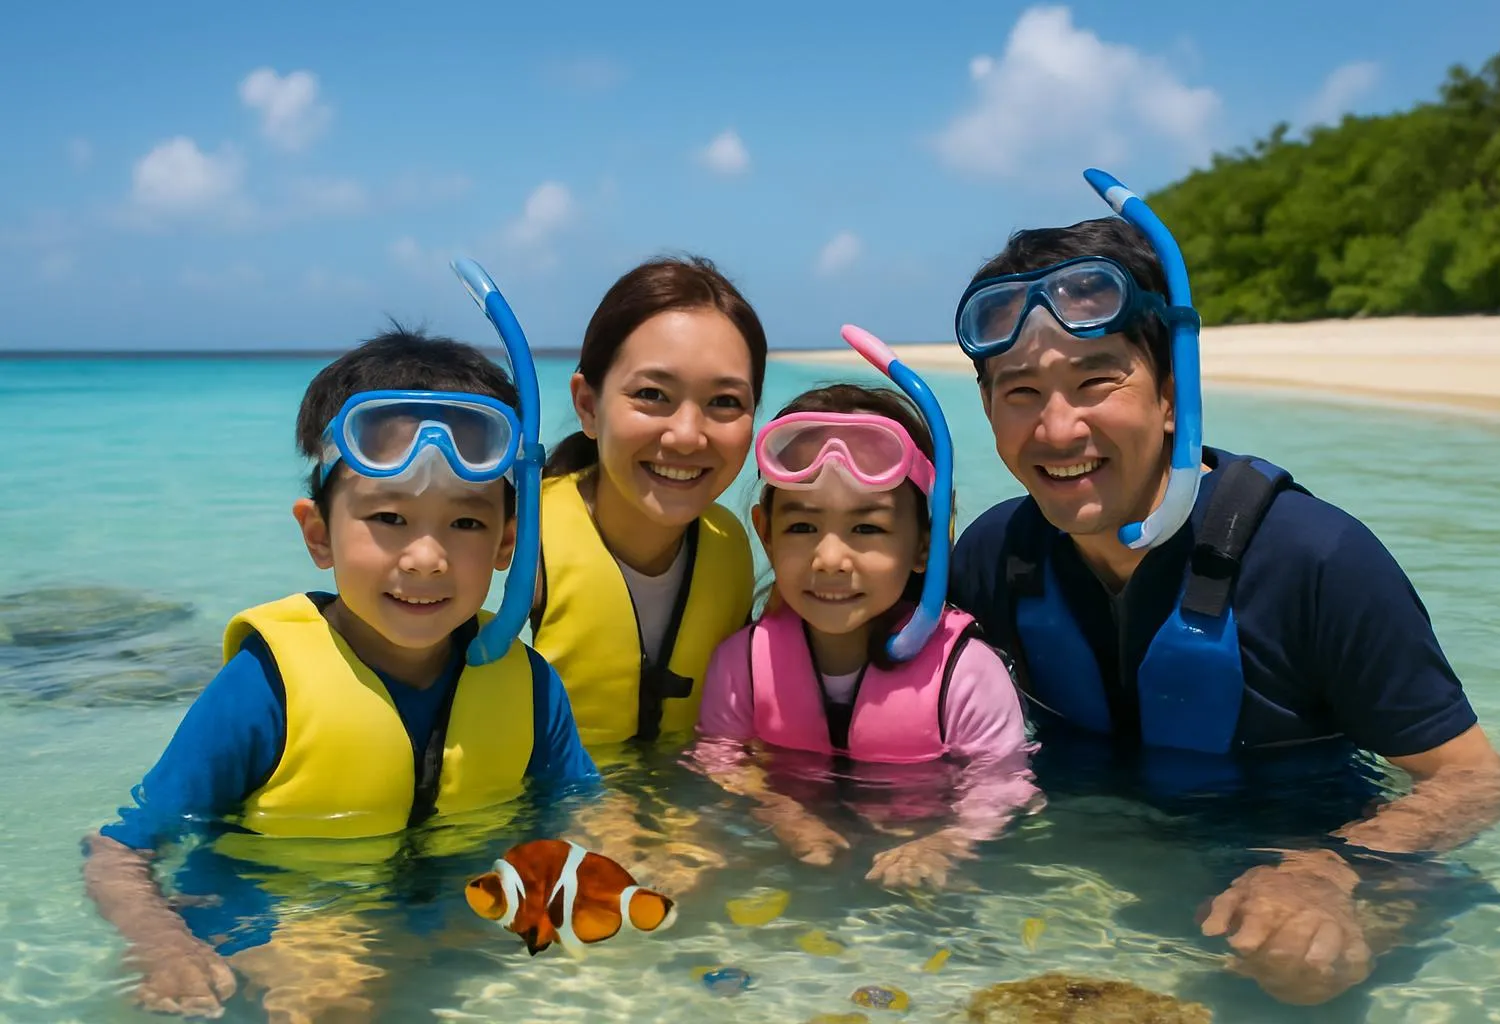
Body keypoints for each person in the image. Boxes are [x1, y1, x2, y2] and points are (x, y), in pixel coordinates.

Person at [946, 171, 1500, 1005]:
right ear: (992, 412)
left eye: (1097, 381)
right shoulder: (994, 556)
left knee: (1299, 987)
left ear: (1174, 393)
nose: (1059, 427)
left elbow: (1480, 782)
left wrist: (1330, 871)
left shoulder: (1314, 560)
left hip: (1306, 867)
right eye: (1022, 393)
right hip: (1095, 875)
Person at [83, 326, 596, 1020]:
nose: (425, 557)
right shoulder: (264, 690)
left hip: (430, 923)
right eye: (388, 517)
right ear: (318, 533)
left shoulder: (530, 689)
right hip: (267, 924)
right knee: (335, 994)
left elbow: (582, 810)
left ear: (510, 540)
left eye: (466, 525)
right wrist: (162, 945)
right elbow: (119, 851)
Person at [695, 371, 1040, 889]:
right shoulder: (740, 665)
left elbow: (1005, 786)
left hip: (927, 877)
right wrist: (781, 814)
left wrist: (950, 842)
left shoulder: (966, 676)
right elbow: (719, 762)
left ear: (927, 543)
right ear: (765, 533)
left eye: (868, 528)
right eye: (803, 527)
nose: (830, 558)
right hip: (797, 872)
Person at [532, 256, 764, 749]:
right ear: (588, 407)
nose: (685, 436)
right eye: (652, 394)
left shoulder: (730, 548)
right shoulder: (517, 546)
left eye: (724, 402)